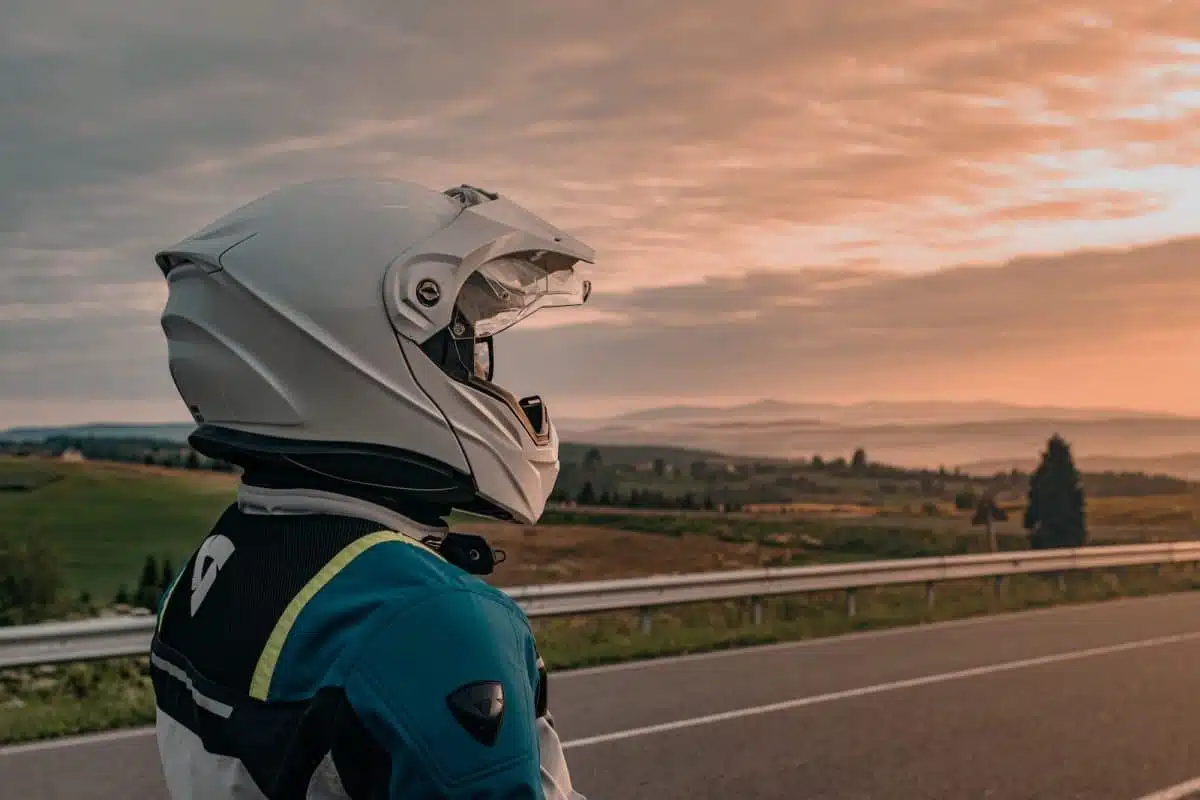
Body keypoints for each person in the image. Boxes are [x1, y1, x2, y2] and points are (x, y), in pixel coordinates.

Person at [148, 178, 593, 799]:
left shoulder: (218, 563)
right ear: (367, 345)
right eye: (464, 348)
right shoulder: (421, 618)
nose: (481, 374)